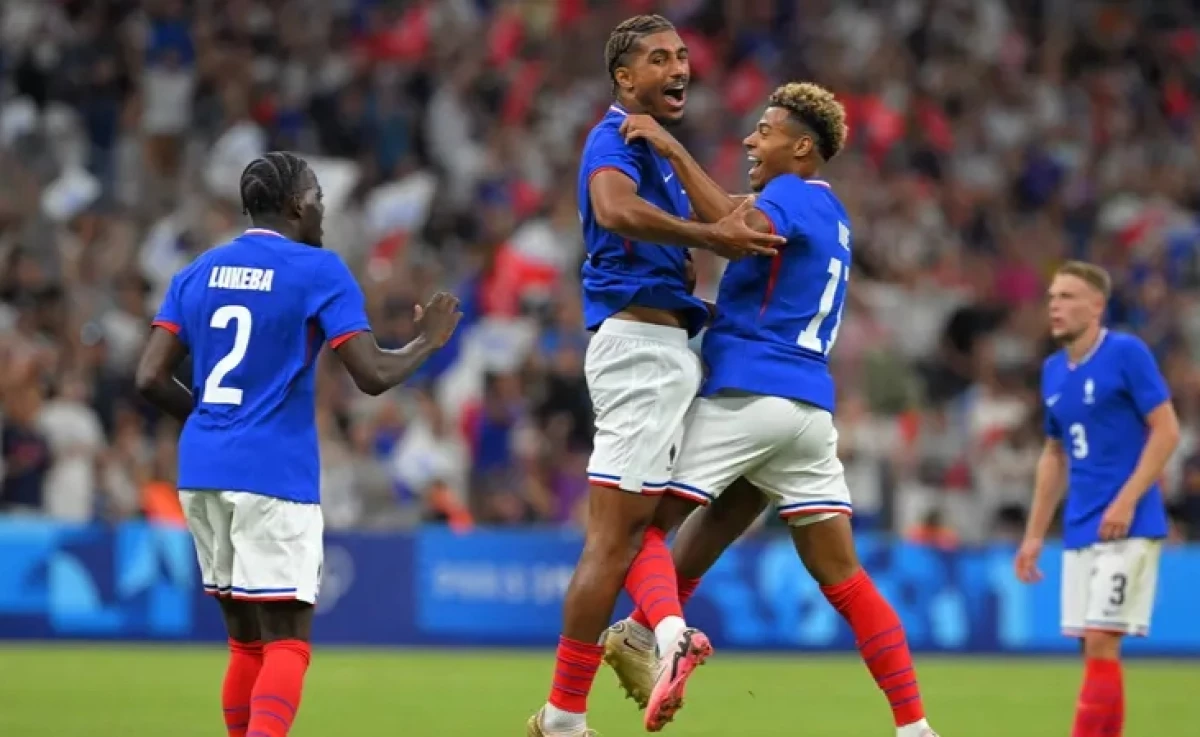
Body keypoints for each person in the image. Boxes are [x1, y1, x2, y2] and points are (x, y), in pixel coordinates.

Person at [600, 82, 939, 737]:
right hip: (808, 415)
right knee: (843, 578)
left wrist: (668, 145)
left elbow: (733, 231)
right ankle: (915, 727)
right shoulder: (830, 212)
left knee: (634, 526)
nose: (752, 141)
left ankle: (665, 637)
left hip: (750, 394)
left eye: (765, 130)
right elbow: (735, 212)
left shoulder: (788, 195)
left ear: (802, 147)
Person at [135, 151, 461, 737]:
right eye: (318, 200)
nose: (322, 213)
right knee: (286, 643)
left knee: (245, 645)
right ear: (294, 206)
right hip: (272, 476)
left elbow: (149, 376)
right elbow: (371, 375)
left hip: (203, 471)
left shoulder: (197, 271)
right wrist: (428, 343)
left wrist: (213, 422)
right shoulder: (319, 270)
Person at [528, 14, 786, 737]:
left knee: (687, 505)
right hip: (638, 350)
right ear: (624, 77)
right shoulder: (615, 136)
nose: (678, 67)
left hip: (672, 354)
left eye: (682, 56)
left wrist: (709, 190)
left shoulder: (659, 151)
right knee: (611, 540)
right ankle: (572, 708)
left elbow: (742, 224)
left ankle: (650, 636)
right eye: (658, 58)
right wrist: (710, 235)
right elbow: (614, 210)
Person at [1015, 261, 1179, 737]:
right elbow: (1053, 454)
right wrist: (1033, 535)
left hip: (1129, 524)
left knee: (1103, 641)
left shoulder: (1126, 352)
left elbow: (1167, 431)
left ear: (1096, 306)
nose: (1055, 306)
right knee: (1095, 646)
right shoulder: (1052, 371)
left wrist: (1128, 499)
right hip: (1081, 525)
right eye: (1051, 297)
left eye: (1067, 296)